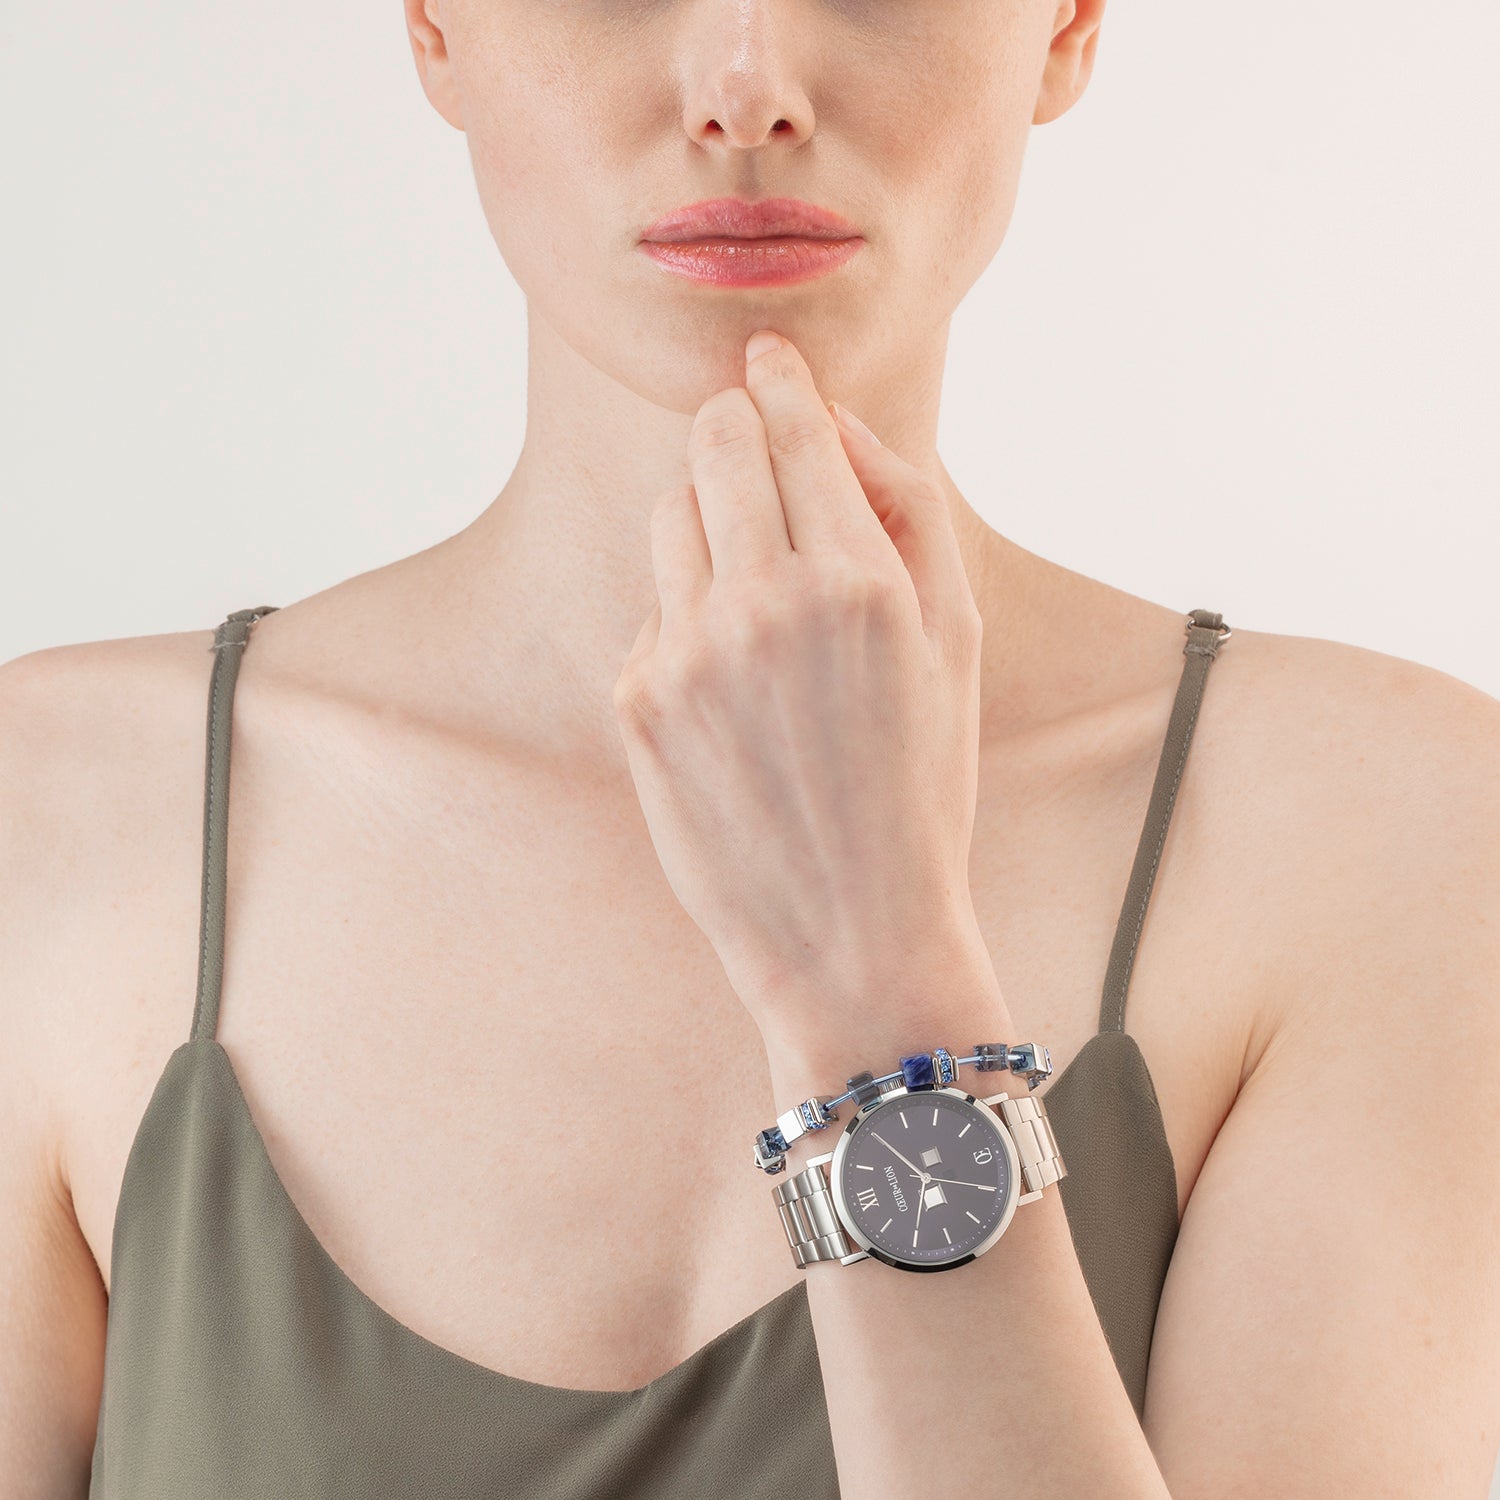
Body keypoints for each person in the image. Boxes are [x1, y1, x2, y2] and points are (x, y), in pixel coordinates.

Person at [4, 0, 1498, 1495]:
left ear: (1063, 28)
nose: (746, 89)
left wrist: (878, 989)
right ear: (436, 27)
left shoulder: (1387, 837)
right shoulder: (53, 804)